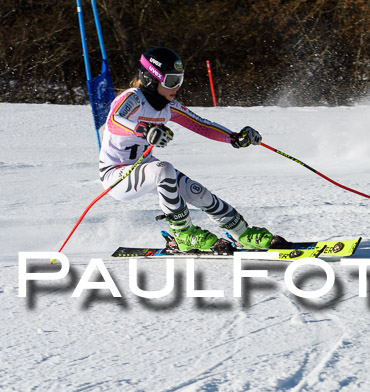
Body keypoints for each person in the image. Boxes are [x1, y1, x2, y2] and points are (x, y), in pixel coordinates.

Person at [99, 46, 284, 251]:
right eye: (171, 81)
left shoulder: (169, 106)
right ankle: (183, 234)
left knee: (199, 193)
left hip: (147, 169)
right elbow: (114, 121)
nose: (176, 87)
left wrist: (235, 138)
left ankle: (242, 233)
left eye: (179, 80)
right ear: (151, 78)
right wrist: (144, 130)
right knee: (163, 169)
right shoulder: (133, 98)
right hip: (116, 175)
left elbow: (201, 125)